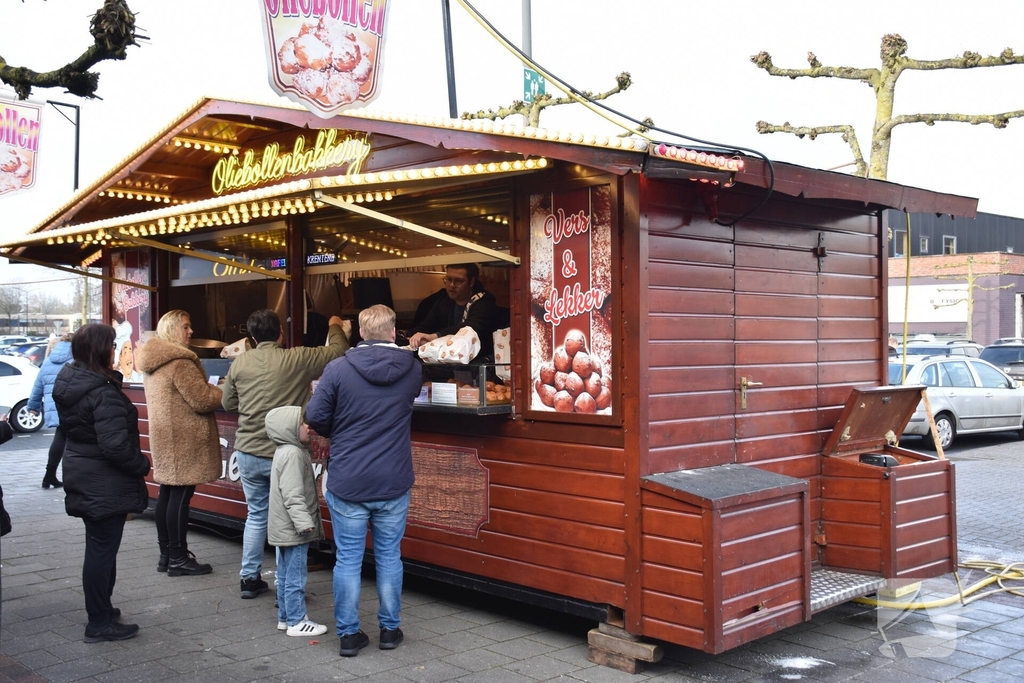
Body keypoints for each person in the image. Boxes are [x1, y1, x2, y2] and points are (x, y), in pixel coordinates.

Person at [306, 304, 422, 657]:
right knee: (389, 557)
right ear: (392, 332)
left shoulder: (338, 369)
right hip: (392, 478)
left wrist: (336, 427)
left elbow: (315, 417)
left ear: (359, 333)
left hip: (349, 479)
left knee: (348, 560)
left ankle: (348, 636)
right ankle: (389, 630)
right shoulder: (413, 368)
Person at [221, 308, 349, 599]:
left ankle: (249, 578)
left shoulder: (240, 363)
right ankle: (285, 588)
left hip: (248, 451)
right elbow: (339, 350)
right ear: (281, 332)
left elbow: (228, 403)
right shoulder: (297, 358)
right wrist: (334, 324)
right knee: (289, 522)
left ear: (251, 337)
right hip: (284, 452)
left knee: (256, 515)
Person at [52, 323, 151, 643]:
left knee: (99, 548)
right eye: (111, 345)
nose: (114, 351)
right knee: (101, 551)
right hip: (102, 480)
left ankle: (103, 609)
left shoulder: (73, 380)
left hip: (85, 471)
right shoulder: (100, 390)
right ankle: (98, 620)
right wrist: (142, 465)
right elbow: (114, 446)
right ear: (99, 350)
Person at [136, 310, 224, 577]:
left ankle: (167, 554)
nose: (190, 332)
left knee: (167, 495)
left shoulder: (155, 361)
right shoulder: (180, 362)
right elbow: (203, 400)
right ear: (172, 329)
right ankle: (178, 557)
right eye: (185, 327)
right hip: (185, 439)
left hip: (166, 437)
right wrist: (220, 388)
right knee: (181, 498)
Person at [265, 405, 328, 637]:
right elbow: (292, 494)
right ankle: (297, 621)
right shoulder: (292, 454)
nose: (307, 426)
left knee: (284, 573)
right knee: (295, 575)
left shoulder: (285, 450)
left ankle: (285, 617)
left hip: (283, 525)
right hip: (294, 528)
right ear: (289, 429)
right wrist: (304, 523)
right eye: (301, 423)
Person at [406, 264, 500, 361]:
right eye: (448, 279)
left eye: (458, 281)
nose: (452, 285)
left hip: (476, 363)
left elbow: (469, 328)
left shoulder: (484, 301)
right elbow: (427, 325)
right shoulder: (444, 300)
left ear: (471, 282)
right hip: (447, 362)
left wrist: (434, 336)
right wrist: (405, 333)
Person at [28, 333, 73, 489]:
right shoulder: (76, 361)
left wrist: (33, 406)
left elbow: (37, 386)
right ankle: (66, 477)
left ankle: (49, 475)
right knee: (72, 442)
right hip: (71, 405)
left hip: (53, 406)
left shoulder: (47, 362)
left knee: (60, 439)